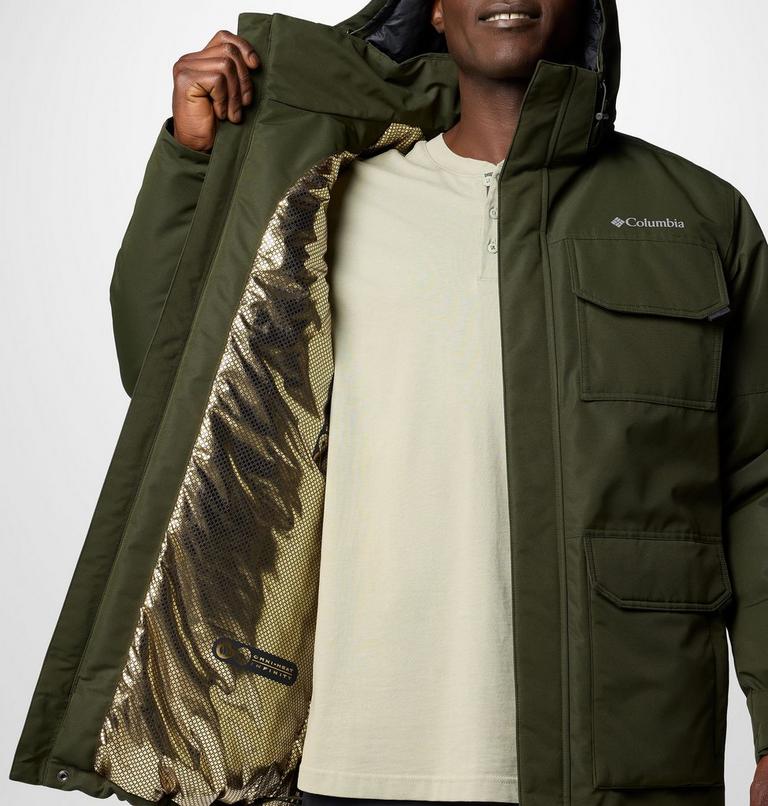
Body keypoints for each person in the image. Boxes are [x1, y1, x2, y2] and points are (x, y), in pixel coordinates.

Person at [165, 2, 768, 806]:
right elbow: (180, 375)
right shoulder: (324, 202)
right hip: (362, 758)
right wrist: (193, 162)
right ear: (435, 10)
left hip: (623, 758)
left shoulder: (699, 217)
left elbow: (757, 482)